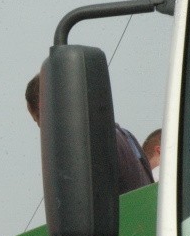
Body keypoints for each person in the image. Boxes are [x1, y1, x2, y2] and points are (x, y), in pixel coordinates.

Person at [25, 73, 153, 195]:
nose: (42, 130)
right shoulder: (126, 137)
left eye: (39, 119)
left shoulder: (85, 146)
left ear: (48, 107)